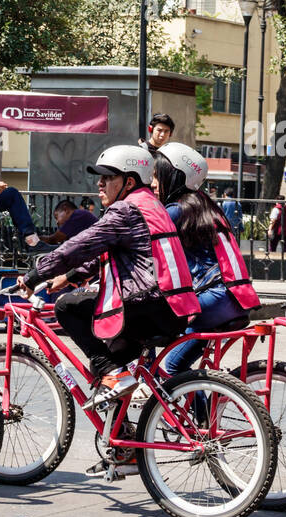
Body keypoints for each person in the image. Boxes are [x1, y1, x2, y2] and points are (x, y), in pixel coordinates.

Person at [20, 145, 199, 406]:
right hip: (172, 306)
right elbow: (102, 253)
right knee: (105, 361)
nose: (100, 184)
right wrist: (69, 276)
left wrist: (34, 275)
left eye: (107, 178)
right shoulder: (150, 204)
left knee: (67, 307)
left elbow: (79, 246)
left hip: (147, 304)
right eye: (99, 178)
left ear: (128, 181)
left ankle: (115, 375)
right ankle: (124, 438)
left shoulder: (125, 210)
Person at [154, 144, 260, 374]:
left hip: (212, 299)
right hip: (235, 298)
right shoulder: (205, 205)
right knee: (180, 363)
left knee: (168, 358)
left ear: (173, 177)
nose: (152, 184)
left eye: (156, 176)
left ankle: (147, 383)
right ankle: (200, 409)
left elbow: (143, 249)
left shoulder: (175, 211)